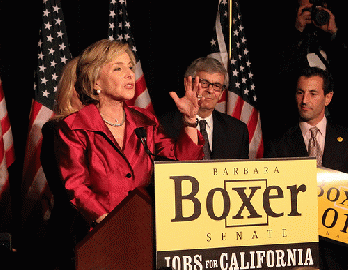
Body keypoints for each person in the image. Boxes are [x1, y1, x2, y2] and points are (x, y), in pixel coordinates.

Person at [49, 39, 204, 228]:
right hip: (97, 232)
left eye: (130, 68)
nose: (130, 74)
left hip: (143, 226)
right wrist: (107, 223)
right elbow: (76, 186)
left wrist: (189, 121)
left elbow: (183, 164)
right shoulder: (75, 126)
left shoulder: (145, 121)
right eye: (118, 68)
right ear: (96, 79)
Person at [265, 67, 348, 270]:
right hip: (299, 251)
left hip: (341, 252)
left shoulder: (346, 139)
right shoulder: (278, 143)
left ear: (328, 98)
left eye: (313, 93)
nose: (304, 100)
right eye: (300, 92)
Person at [160, 57, 249, 160]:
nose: (210, 90)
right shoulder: (163, 126)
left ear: (221, 93)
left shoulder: (237, 131)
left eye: (216, 85)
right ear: (188, 84)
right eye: (204, 83)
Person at [278, 0, 348, 130]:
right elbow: (283, 71)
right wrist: (298, 30)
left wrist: (334, 32)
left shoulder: (334, 42)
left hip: (337, 117)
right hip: (295, 120)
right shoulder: (288, 38)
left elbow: (343, 69)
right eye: (308, 10)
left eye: (319, 9)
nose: (315, 14)